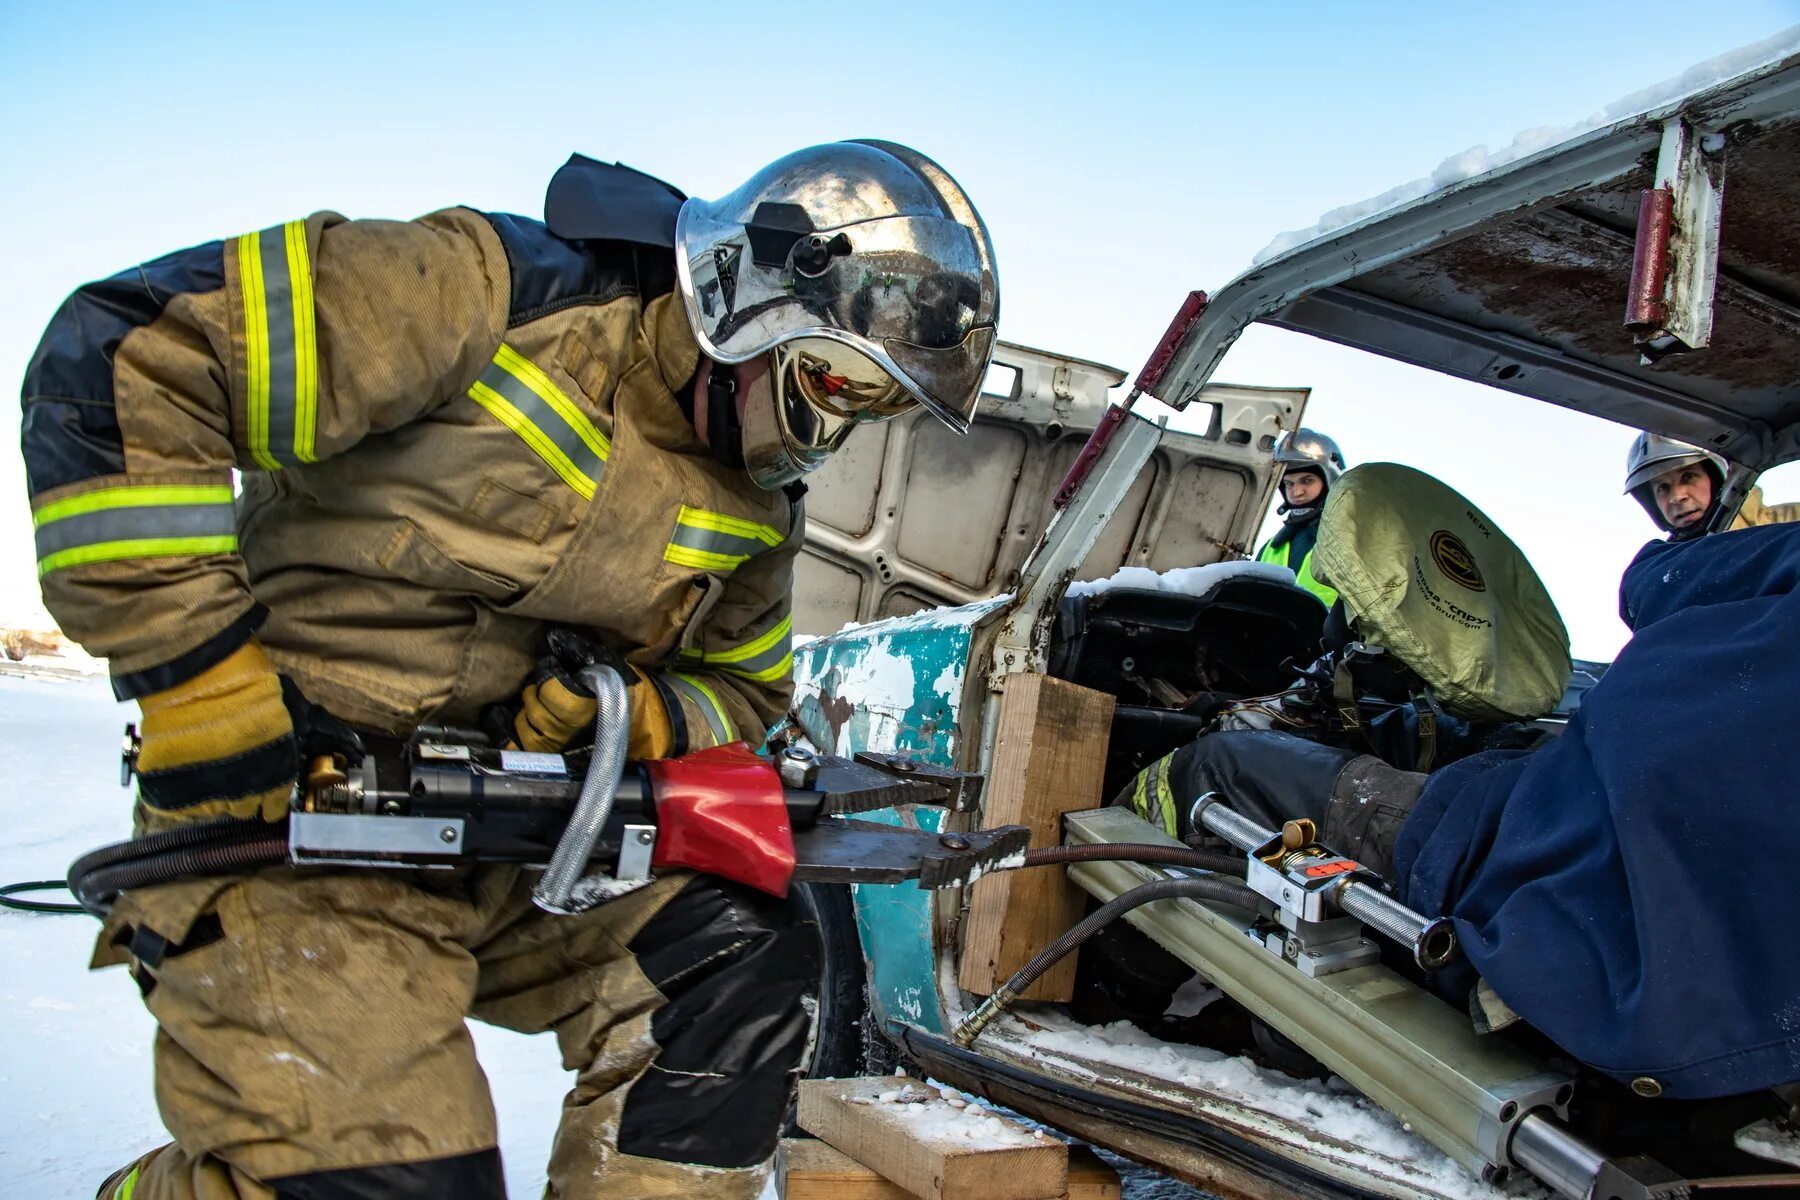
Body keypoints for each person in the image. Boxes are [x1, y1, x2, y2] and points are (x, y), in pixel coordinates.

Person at [21, 141, 999, 1199]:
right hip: (294, 825)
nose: (837, 430)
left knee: (744, 975)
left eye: (876, 407)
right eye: (836, 382)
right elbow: (125, 360)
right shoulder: (485, 296)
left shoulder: (756, 506)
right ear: (743, 299)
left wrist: (633, 716)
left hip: (522, 851)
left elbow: (749, 692)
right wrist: (196, 680)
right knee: (401, 1185)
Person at [1120, 518, 1800, 1101]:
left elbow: (1658, 579)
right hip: (1713, 1017)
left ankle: (1111, 1019)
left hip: (1538, 875)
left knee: (1210, 772)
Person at [1624, 431, 1800, 540]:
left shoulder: (1790, 523)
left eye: (1688, 476)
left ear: (1718, 479)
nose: (1677, 496)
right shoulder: (1658, 568)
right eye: (1662, 487)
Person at [1255, 428, 1347, 607]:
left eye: (1307, 481)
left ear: (1330, 480)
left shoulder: (1349, 539)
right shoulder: (1271, 547)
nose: (1296, 492)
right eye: (1289, 484)